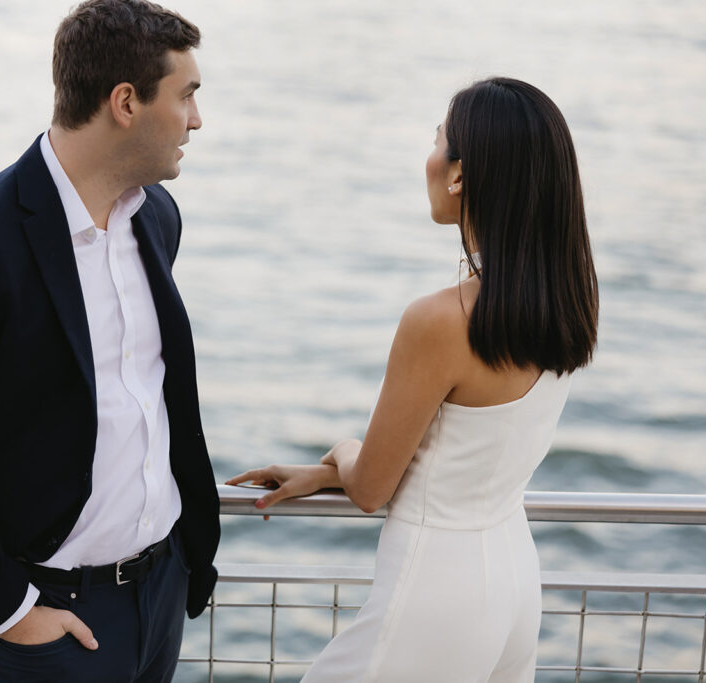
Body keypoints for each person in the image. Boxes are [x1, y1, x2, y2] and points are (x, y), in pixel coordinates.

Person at [0, 1, 220, 680]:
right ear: (125, 101)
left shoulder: (157, 218)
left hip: (159, 599)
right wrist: (16, 613)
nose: (197, 119)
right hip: (41, 624)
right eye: (187, 96)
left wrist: (176, 570)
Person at [228, 77, 599, 681]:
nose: (428, 157)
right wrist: (328, 476)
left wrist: (343, 453)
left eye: (437, 141)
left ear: (460, 174)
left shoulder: (440, 320)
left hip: (437, 594)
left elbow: (372, 486)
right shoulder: (566, 301)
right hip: (512, 584)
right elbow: (461, 460)